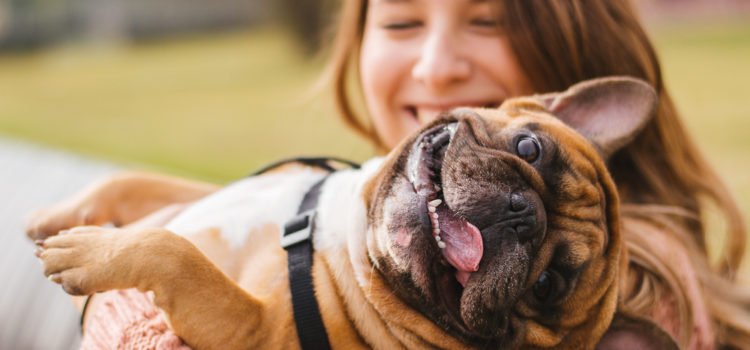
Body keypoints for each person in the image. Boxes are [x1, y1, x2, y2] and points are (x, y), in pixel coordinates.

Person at [28, 0, 749, 348]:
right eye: (402, 24)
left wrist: (127, 297)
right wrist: (130, 200)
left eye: (489, 23)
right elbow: (251, 214)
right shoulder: (374, 204)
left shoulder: (643, 293)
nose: (436, 66)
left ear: (575, 52)